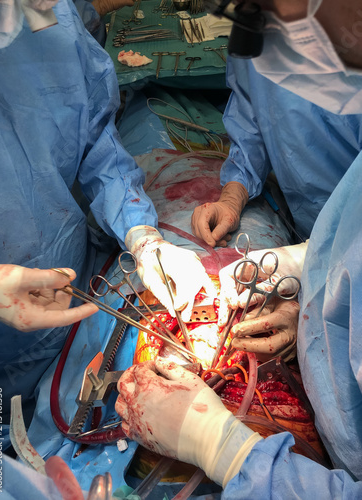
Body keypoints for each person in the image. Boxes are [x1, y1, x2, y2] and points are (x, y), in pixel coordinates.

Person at [115, 0, 362, 497]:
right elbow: (252, 113)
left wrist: (223, 448)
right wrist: (319, 292)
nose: (256, 25)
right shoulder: (266, 31)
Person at [0, 0, 214, 426]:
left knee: (66, 416)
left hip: (70, 288)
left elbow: (96, 143)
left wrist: (141, 234)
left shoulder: (45, 15)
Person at [191, 0, 362, 248]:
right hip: (310, 226)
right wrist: (231, 198)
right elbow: (252, 120)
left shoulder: (350, 31)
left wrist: (309, 258)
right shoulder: (257, 26)